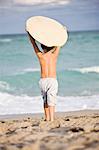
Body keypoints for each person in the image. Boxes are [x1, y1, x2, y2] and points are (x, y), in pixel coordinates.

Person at [28, 32, 60, 121]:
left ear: (42, 47)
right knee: (52, 101)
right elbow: (59, 44)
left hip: (43, 81)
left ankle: (47, 118)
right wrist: (62, 32)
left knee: (45, 100)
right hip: (52, 81)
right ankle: (52, 119)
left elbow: (33, 44)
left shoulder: (41, 56)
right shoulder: (54, 56)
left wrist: (30, 34)